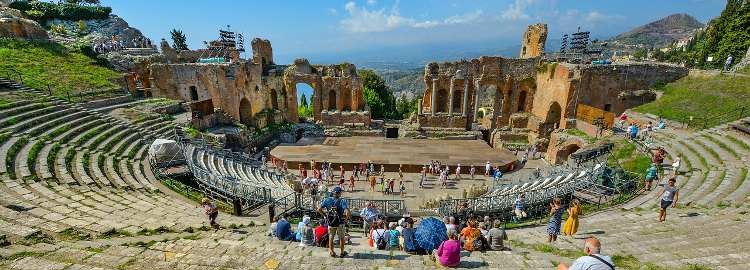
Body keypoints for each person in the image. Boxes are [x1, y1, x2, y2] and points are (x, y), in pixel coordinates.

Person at [317, 187, 351, 257]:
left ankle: (331, 251)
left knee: (331, 237)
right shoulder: (342, 201)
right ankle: (342, 252)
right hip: (340, 222)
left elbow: (319, 209)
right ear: (339, 193)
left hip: (331, 222)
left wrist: (325, 216)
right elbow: (348, 212)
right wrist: (345, 219)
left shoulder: (327, 200)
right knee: (341, 238)